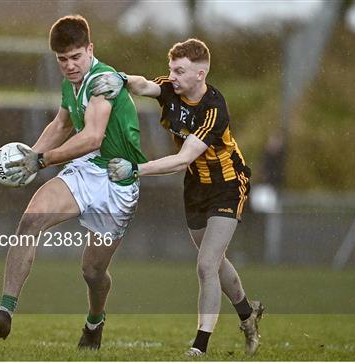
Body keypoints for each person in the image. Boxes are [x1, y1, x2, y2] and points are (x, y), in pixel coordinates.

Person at [0, 15, 147, 350]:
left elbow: (94, 136)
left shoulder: (102, 81)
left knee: (93, 272)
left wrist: (42, 160)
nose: (69, 66)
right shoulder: (72, 81)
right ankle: (5, 312)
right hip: (85, 171)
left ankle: (94, 323)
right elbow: (62, 123)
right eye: (62, 60)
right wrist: (29, 156)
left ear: (90, 49)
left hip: (118, 183)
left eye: (75, 58)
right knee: (30, 220)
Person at [91, 39, 264, 356]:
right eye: (171, 68)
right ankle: (247, 313)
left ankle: (200, 346)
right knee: (215, 261)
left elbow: (183, 159)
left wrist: (136, 169)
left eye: (179, 70)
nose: (172, 76)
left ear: (200, 74)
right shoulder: (172, 88)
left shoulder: (214, 109)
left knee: (206, 264)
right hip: (195, 188)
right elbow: (145, 85)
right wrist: (122, 79)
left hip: (227, 184)